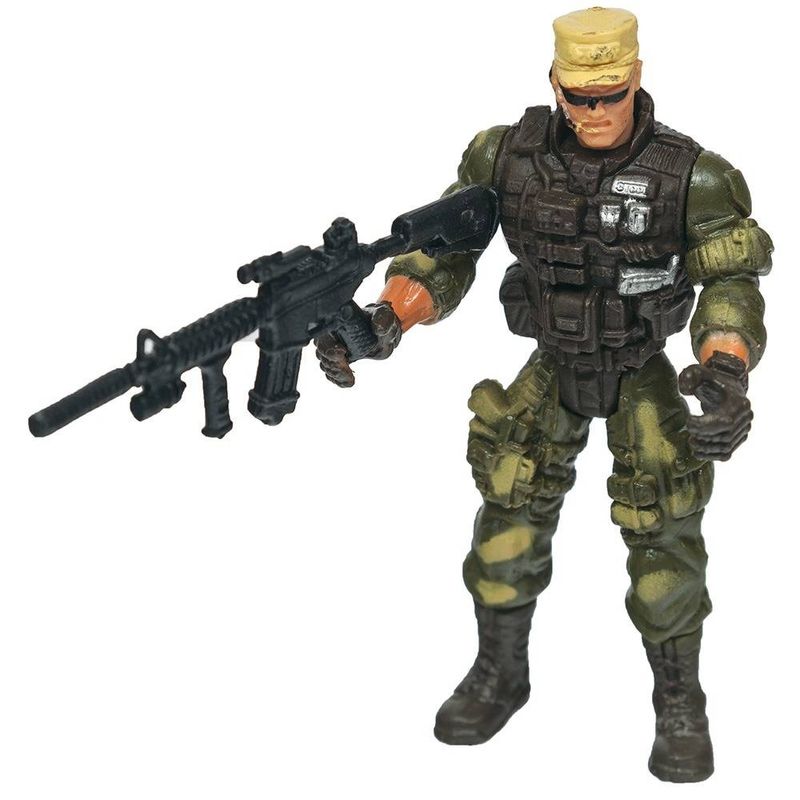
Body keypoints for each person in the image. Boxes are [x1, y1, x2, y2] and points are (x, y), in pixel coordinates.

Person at [314, 6, 771, 783]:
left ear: (636, 79)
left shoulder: (693, 176)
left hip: (639, 366)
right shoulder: (506, 159)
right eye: (578, 96)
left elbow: (730, 276)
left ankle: (679, 700)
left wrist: (725, 368)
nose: (593, 112)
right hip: (552, 363)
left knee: (663, 524)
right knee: (509, 506)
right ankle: (501, 674)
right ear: (555, 85)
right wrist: (387, 319)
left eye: (609, 95)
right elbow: (444, 253)